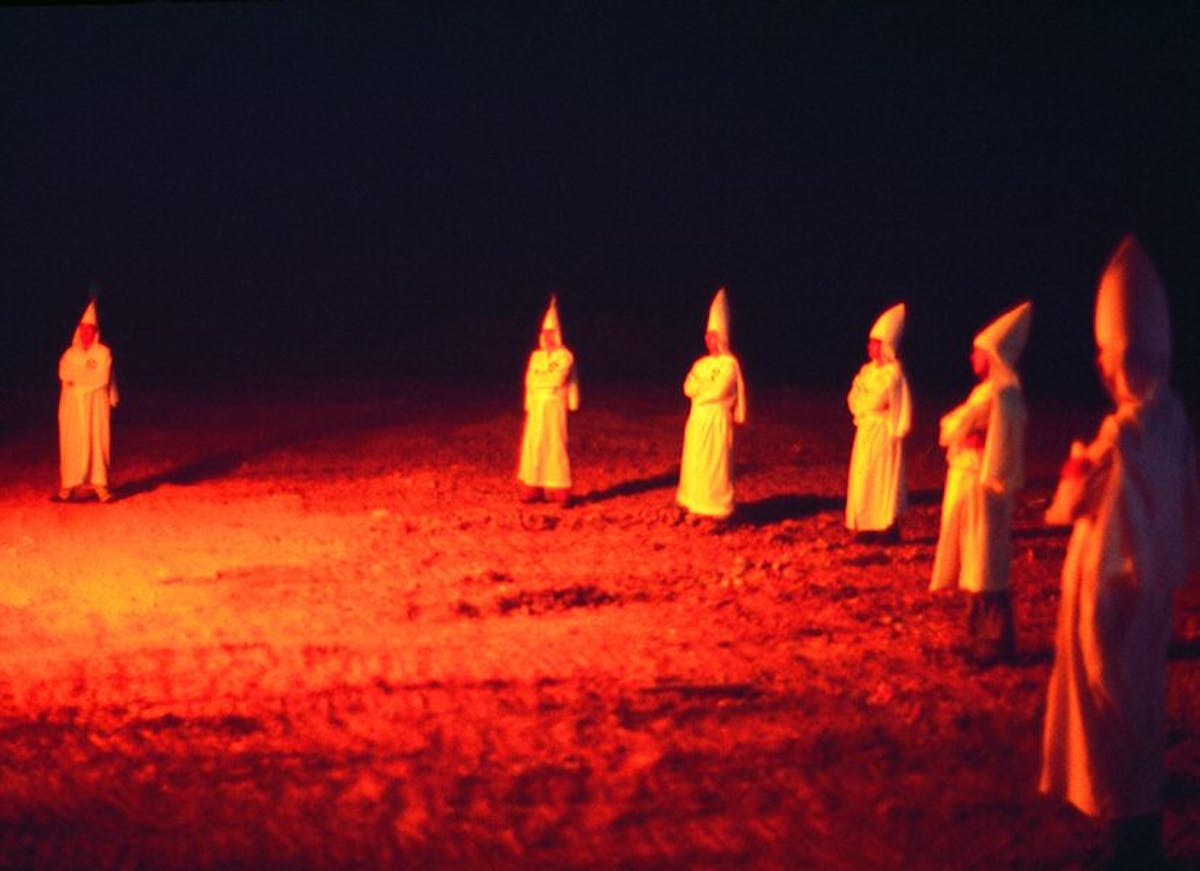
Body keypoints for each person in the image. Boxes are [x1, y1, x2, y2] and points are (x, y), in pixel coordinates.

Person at [1039, 236, 1199, 868]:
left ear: (1124, 360)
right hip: (1152, 587)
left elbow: (1071, 504)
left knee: (1111, 708)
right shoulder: (1176, 420)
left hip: (1108, 591)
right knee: (1142, 700)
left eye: (1107, 356)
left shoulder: (1120, 433)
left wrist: (1073, 468)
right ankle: (1141, 831)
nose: (1101, 367)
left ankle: (1126, 837)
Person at [929, 300, 1032, 666]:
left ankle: (994, 642)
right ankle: (979, 636)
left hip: (982, 483)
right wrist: (962, 432)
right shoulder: (990, 392)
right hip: (971, 477)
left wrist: (969, 435)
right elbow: (952, 427)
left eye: (978, 352)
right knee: (975, 558)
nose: (971, 357)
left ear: (992, 355)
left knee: (984, 559)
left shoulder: (1000, 393)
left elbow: (958, 426)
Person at [677, 286, 747, 525]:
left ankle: (717, 510)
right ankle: (696, 504)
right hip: (698, 418)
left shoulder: (729, 364)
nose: (709, 340)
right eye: (707, 336)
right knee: (696, 461)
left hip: (716, 419)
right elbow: (688, 386)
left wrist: (701, 392)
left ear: (722, 337)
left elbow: (718, 390)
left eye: (714, 336)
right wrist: (700, 391)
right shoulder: (701, 364)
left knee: (714, 464)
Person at [845, 302, 912, 542]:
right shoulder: (867, 371)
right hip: (866, 429)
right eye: (870, 342)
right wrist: (867, 404)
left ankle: (886, 525)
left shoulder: (893, 373)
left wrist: (869, 402)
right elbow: (854, 398)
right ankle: (865, 525)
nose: (870, 347)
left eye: (875, 343)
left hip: (883, 432)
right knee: (864, 475)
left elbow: (876, 399)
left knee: (881, 476)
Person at [55, 298, 119, 503]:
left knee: (97, 441)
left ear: (95, 332)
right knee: (71, 442)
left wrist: (79, 377)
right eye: (83, 330)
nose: (85, 334)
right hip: (72, 406)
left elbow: (102, 378)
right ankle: (67, 488)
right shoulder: (70, 354)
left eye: (89, 330)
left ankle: (101, 488)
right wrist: (84, 376)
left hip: (95, 406)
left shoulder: (103, 353)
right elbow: (64, 374)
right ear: (78, 331)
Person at [517, 295, 579, 504]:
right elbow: (529, 380)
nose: (549, 337)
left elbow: (556, 378)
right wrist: (537, 386)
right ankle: (532, 488)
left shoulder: (565, 356)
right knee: (534, 445)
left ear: (558, 334)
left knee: (554, 445)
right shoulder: (536, 356)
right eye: (546, 333)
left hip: (554, 406)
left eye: (552, 333)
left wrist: (542, 381)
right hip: (537, 407)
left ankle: (560, 490)